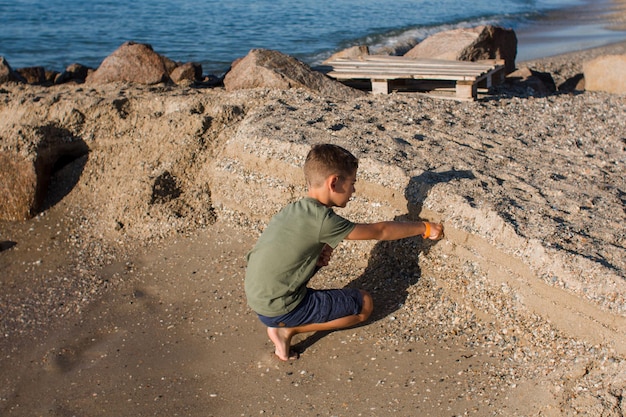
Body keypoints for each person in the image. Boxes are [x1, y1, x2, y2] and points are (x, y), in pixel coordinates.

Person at [244, 143, 444, 361]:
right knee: (364, 305)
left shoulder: (294, 209)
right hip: (278, 308)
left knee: (319, 255)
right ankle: (288, 329)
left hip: (258, 296)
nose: (354, 191)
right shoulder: (323, 220)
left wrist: (315, 262)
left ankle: (283, 321)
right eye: (352, 183)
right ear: (334, 182)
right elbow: (381, 230)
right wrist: (424, 227)